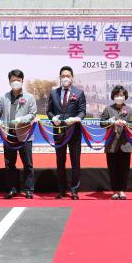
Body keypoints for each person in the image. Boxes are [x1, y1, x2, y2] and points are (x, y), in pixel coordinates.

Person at [0, 69, 37, 199]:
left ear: (22, 81)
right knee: (9, 164)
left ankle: (29, 189)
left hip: (24, 135)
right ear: (9, 81)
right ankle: (12, 189)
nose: (16, 82)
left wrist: (21, 120)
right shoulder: (4, 98)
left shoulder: (29, 97)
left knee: (28, 164)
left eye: (18, 80)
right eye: (13, 80)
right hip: (9, 135)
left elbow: (32, 114)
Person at [47, 66, 87, 199]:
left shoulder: (79, 93)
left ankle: (74, 190)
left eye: (67, 76)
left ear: (72, 78)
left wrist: (76, 118)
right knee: (60, 161)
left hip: (74, 131)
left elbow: (82, 111)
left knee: (75, 162)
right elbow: (49, 111)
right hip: (59, 131)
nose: (65, 78)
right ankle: (61, 190)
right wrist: (53, 118)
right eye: (63, 76)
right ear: (59, 78)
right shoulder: (53, 93)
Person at [100, 85, 132, 199]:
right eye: (116, 95)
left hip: (125, 143)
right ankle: (115, 190)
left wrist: (126, 124)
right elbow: (102, 123)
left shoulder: (130, 110)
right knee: (113, 168)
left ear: (125, 96)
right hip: (111, 143)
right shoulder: (108, 109)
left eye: (121, 95)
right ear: (113, 96)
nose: (119, 97)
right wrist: (111, 121)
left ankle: (122, 190)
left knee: (124, 168)